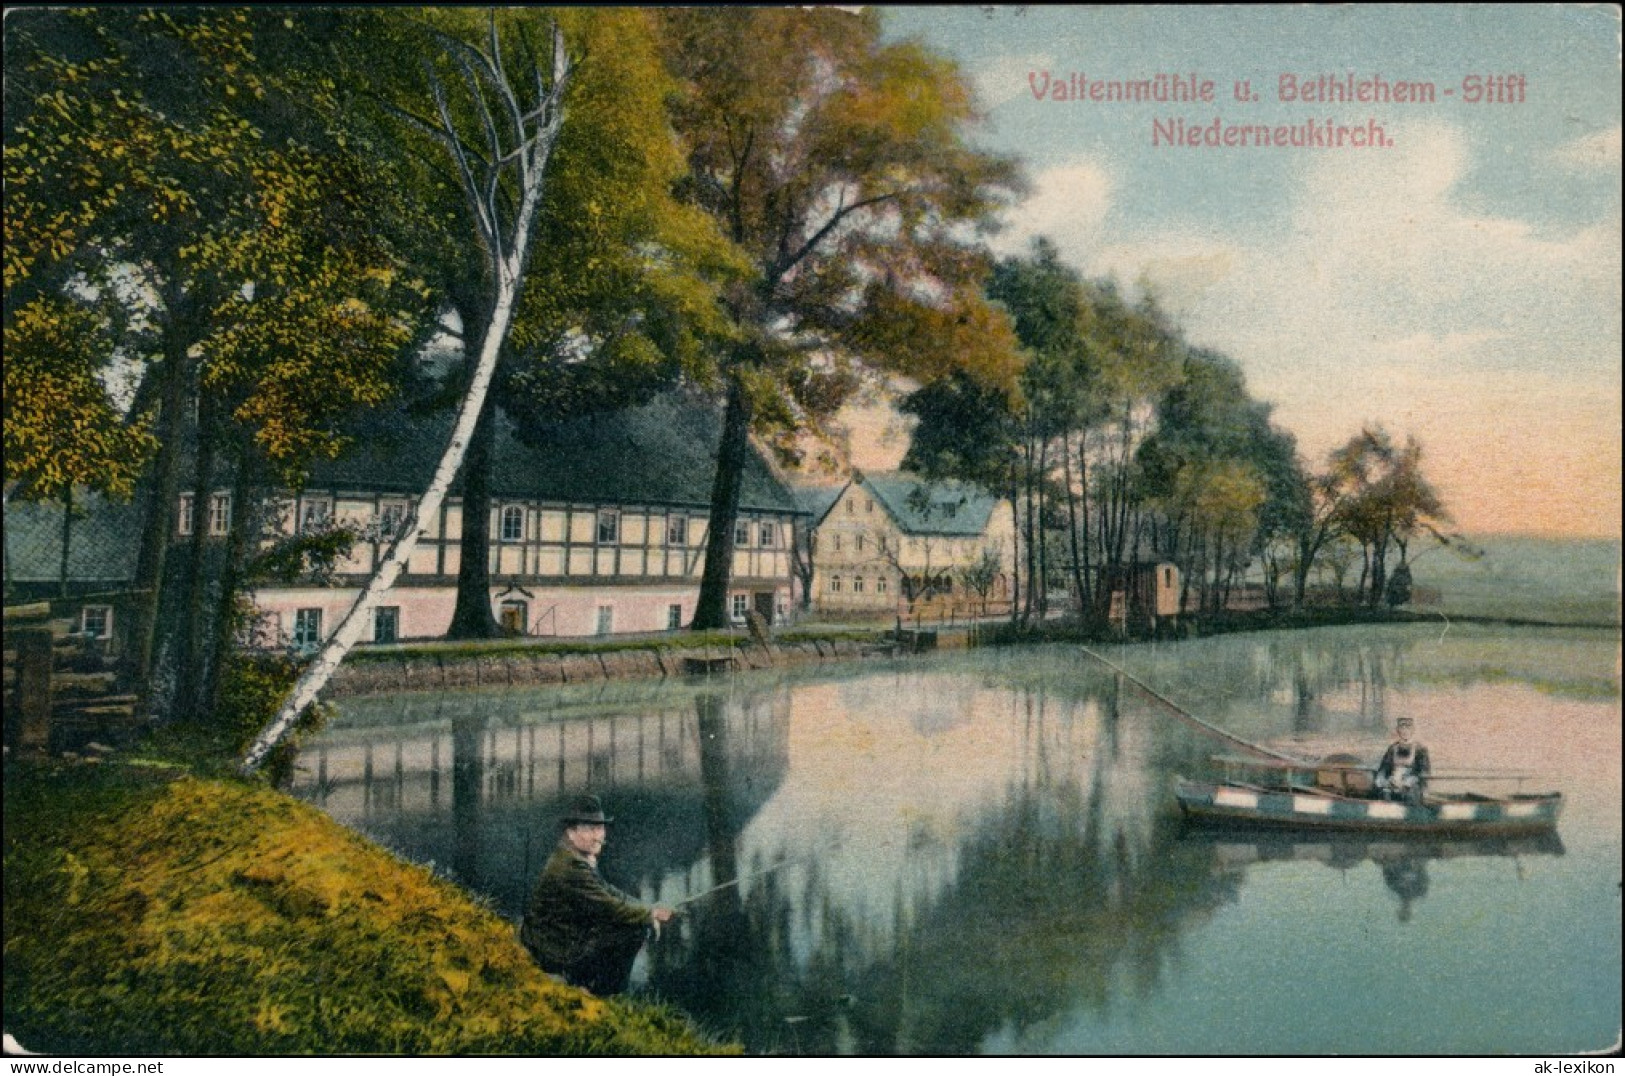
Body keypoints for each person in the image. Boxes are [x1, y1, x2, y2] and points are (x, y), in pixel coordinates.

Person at [519, 793, 674, 996]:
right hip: (551, 951)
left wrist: (648, 908)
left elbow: (608, 891)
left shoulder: (572, 855)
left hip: (550, 939)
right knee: (633, 929)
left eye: (600, 828)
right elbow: (610, 905)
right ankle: (603, 994)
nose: (598, 836)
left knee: (627, 921)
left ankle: (591, 986)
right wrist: (648, 915)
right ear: (571, 832)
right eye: (589, 829)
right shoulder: (571, 866)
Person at [1374, 717, 1430, 804]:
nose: (1404, 731)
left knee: (1410, 796)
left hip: (1411, 786)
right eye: (1402, 728)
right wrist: (1382, 779)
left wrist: (1408, 781)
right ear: (1398, 730)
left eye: (1408, 728)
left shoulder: (1420, 749)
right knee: (1384, 794)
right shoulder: (1393, 748)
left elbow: (1424, 771)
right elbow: (1383, 768)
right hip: (1392, 783)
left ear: (1413, 730)